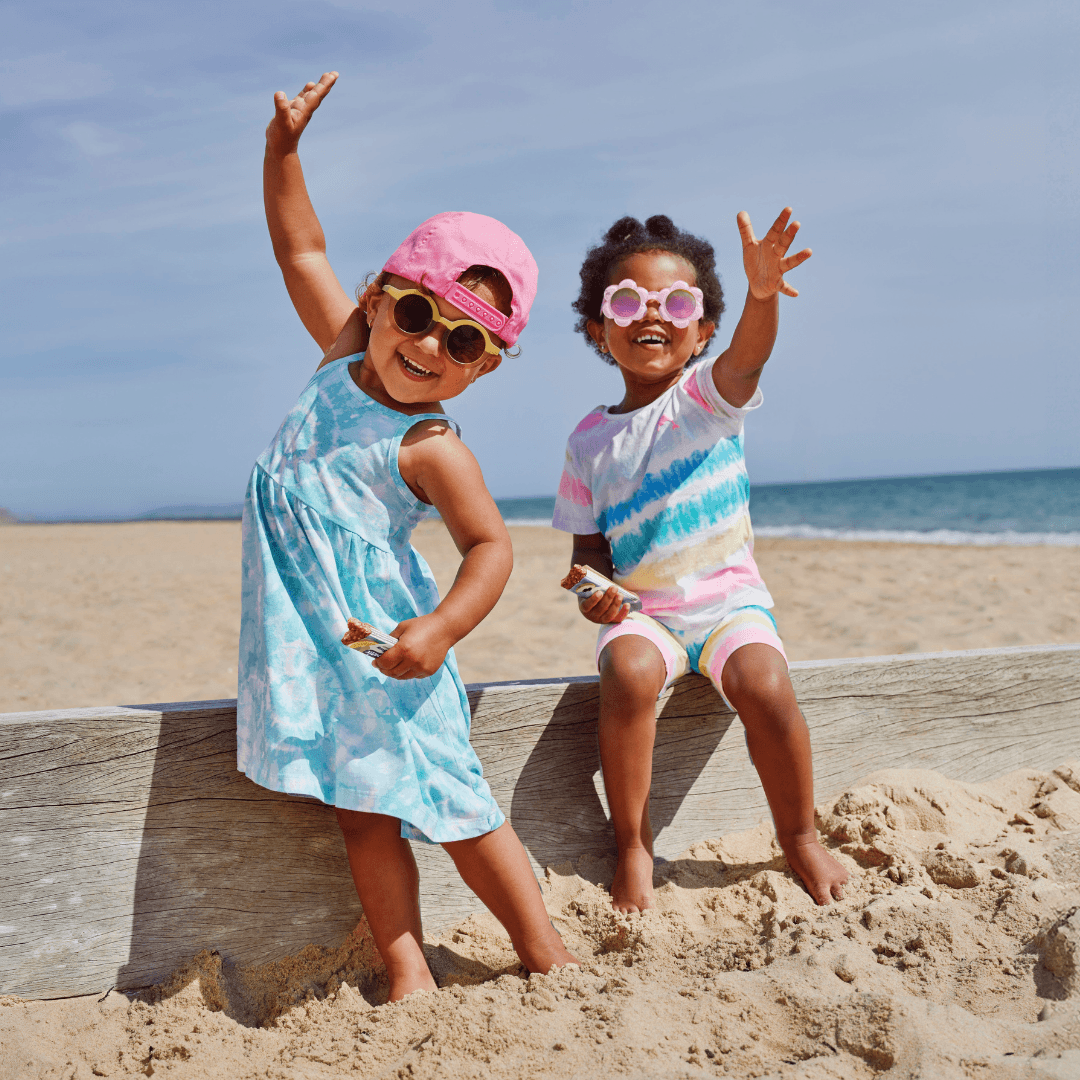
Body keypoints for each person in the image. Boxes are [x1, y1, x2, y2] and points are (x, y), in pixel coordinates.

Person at [238, 72, 576, 1000]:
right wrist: (283, 152)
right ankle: (404, 965)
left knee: (461, 809)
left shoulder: (429, 446)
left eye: (464, 344)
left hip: (392, 649)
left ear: (485, 369)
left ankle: (545, 952)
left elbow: (492, 548)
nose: (430, 347)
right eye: (420, 315)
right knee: (364, 816)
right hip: (322, 648)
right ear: (380, 300)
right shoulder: (342, 359)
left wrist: (442, 631)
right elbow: (299, 248)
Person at [552, 211, 850, 912]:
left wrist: (763, 293)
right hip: (646, 613)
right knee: (625, 672)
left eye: (676, 304)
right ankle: (632, 844)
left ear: (704, 330)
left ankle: (800, 836)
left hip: (727, 606)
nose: (650, 317)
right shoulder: (588, 441)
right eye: (627, 303)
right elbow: (587, 554)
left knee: (767, 684)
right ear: (598, 328)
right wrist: (594, 595)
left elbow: (750, 356)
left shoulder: (708, 401)